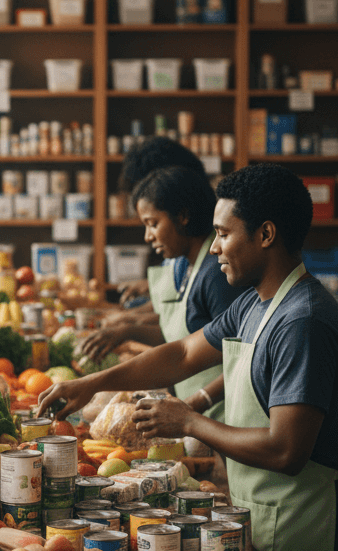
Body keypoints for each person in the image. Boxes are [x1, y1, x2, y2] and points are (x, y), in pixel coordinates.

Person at [38, 164, 338, 551]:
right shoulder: (257, 307)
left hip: (304, 523)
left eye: (225, 234)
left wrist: (190, 421)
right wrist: (87, 384)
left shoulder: (303, 319)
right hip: (260, 510)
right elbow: (179, 352)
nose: (216, 247)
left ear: (266, 235)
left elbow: (287, 449)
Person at [78, 165, 245, 418]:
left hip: (220, 416)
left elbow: (237, 361)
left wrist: (195, 405)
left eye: (153, 223)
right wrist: (127, 329)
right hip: (197, 416)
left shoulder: (215, 274)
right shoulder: (188, 265)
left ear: (183, 216)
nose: (148, 236)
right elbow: (185, 338)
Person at [113, 137, 209, 311]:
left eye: (153, 223)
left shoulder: (207, 256)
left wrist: (127, 323)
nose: (148, 236)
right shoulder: (179, 247)